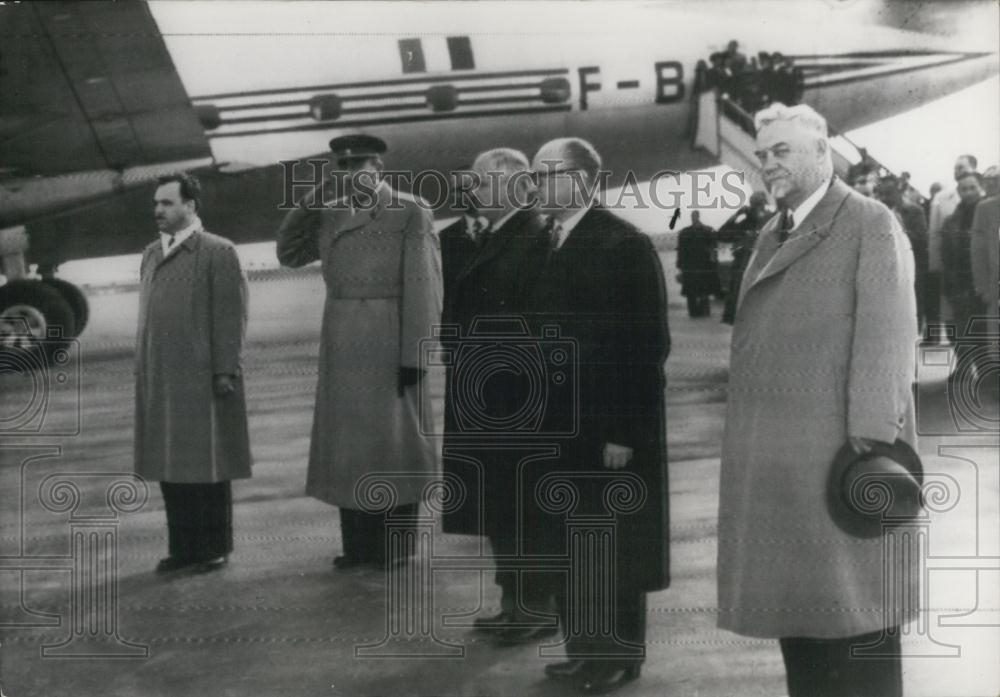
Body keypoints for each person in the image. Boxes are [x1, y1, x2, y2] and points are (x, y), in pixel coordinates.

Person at [718, 103, 918, 697]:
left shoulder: (868, 222)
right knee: (802, 626)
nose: (768, 165)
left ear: (820, 152)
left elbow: (889, 337)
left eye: (781, 151)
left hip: (838, 465)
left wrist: (868, 449)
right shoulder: (773, 229)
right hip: (782, 468)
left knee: (859, 621)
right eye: (762, 156)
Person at [523, 137, 670, 694]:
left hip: (606, 428)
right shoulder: (550, 242)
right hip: (559, 429)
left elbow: (646, 344)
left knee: (613, 545)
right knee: (569, 543)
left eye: (546, 174)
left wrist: (623, 432)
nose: (534, 185)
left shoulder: (622, 243)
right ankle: (583, 652)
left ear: (582, 179)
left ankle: (617, 658)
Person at [276, 134, 442, 571]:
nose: (355, 176)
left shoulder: (409, 210)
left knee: (393, 444)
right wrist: (312, 200)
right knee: (349, 448)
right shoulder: (331, 214)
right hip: (342, 338)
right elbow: (289, 255)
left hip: (388, 336)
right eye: (345, 169)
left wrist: (417, 355)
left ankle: (396, 548)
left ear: (379, 169)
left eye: (362, 167)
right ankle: (359, 548)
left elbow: (425, 286)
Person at [439, 148, 555, 643]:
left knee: (524, 508)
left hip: (514, 400)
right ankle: (513, 602)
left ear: (514, 184)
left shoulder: (534, 234)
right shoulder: (494, 234)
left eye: (483, 182)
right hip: (486, 396)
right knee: (500, 508)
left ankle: (537, 608)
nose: (473, 190)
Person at [135, 173, 252, 574]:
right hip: (163, 380)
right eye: (156, 204)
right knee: (172, 465)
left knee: (209, 465)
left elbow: (231, 316)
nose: (158, 211)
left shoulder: (219, 251)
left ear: (191, 206)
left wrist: (225, 371)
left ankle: (213, 547)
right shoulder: (151, 253)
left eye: (167, 203)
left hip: (204, 378)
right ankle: (184, 547)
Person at [941, 171, 988, 384]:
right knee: (965, 327)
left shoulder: (991, 213)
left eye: (972, 187)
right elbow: (946, 254)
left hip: (987, 281)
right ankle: (971, 368)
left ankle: (990, 374)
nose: (968, 192)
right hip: (962, 282)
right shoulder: (952, 221)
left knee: (987, 328)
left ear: (981, 187)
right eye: (963, 189)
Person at [928, 154, 978, 332]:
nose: (957, 171)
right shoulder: (941, 198)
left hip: (980, 273)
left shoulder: (986, 197)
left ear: (974, 169)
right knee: (956, 325)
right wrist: (936, 269)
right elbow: (934, 236)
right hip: (953, 272)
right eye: (955, 168)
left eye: (962, 167)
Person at [878, 174, 930, 331]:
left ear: (898, 191)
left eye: (889, 192)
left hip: (910, 267)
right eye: (882, 193)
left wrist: (899, 231)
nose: (885, 197)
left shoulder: (915, 211)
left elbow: (921, 238)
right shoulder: (877, 211)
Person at [718, 191, 774, 325]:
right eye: (755, 205)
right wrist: (735, 216)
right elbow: (722, 235)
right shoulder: (744, 224)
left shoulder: (772, 220)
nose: (758, 208)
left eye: (759, 205)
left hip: (763, 264)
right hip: (743, 265)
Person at [438, 165, 485, 305]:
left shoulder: (511, 229)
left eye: (476, 186)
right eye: (461, 190)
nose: (471, 193)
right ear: (453, 196)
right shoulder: (443, 240)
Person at [676, 211, 720, 318]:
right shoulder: (686, 232)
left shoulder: (705, 231)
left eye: (695, 216)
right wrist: (681, 265)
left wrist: (713, 262)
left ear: (698, 216)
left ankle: (701, 311)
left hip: (701, 265)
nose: (694, 218)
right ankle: (695, 312)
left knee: (702, 290)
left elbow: (713, 249)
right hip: (693, 265)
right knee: (694, 291)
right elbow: (681, 250)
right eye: (692, 216)